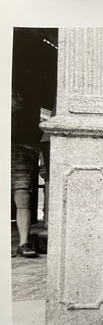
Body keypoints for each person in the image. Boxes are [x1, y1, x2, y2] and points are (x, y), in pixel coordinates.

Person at [11, 91, 41, 258]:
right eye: (15, 95)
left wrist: (31, 149)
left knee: (23, 198)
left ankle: (23, 243)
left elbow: (34, 139)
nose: (19, 98)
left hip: (20, 156)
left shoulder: (25, 119)